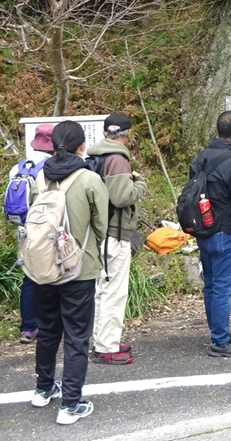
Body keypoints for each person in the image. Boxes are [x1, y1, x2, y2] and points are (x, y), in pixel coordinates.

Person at [30, 120, 108, 426]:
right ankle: (71, 404)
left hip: (44, 266)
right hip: (80, 268)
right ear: (82, 145)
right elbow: (101, 225)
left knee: (48, 330)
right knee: (77, 336)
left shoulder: (40, 177)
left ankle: (43, 388)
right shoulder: (89, 179)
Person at [188, 110, 231, 357]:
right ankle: (220, 340)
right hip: (225, 232)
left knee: (211, 285)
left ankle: (218, 332)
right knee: (222, 288)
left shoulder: (201, 158)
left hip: (203, 230)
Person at [86, 112, 147, 365]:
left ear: (104, 133)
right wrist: (140, 183)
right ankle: (107, 346)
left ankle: (102, 340)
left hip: (98, 233)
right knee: (114, 291)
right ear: (128, 135)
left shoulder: (95, 156)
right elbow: (122, 198)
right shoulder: (118, 160)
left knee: (102, 289)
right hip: (114, 233)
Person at [15, 123, 55, 344]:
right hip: (44, 228)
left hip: (23, 228)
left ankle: (28, 327)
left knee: (29, 276)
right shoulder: (49, 167)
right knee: (49, 274)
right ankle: (48, 323)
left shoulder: (19, 166)